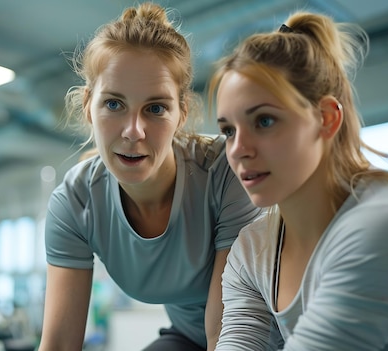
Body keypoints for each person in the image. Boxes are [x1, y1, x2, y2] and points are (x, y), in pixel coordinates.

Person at [39, 3, 262, 351]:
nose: (133, 131)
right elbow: (58, 344)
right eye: (114, 104)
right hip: (191, 338)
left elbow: (228, 330)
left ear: (181, 113)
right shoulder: (76, 202)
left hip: (273, 334)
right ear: (87, 105)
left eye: (155, 108)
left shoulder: (226, 171)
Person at [209, 10, 388, 350]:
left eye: (264, 121)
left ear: (326, 119)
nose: (238, 149)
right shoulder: (251, 250)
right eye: (228, 130)